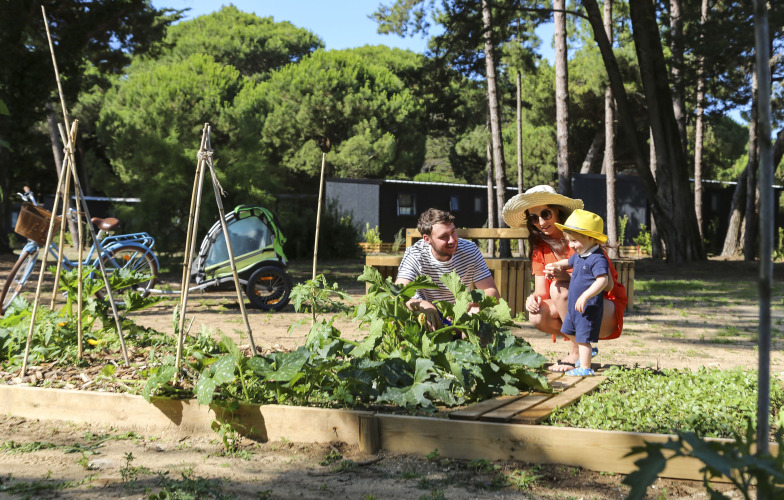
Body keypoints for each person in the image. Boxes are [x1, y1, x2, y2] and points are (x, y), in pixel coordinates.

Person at [501, 185, 627, 372]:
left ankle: (576, 353)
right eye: (534, 218)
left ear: (557, 211)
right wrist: (533, 298)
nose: (541, 222)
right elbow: (541, 291)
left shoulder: (582, 239)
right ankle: (584, 349)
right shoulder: (540, 248)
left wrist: (567, 278)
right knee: (537, 314)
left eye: (546, 214)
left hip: (601, 308)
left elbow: (607, 285)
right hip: (574, 310)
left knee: (558, 287)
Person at [395, 208, 500, 330]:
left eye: (453, 232)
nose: (452, 240)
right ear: (427, 239)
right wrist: (422, 305)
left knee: (479, 315)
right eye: (444, 236)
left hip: (460, 315)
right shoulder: (415, 254)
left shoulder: (470, 249)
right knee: (398, 318)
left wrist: (470, 301)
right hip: (427, 315)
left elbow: (492, 292)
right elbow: (396, 295)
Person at [548, 209, 611, 376]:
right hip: (574, 307)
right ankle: (588, 352)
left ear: (591, 238)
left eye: (574, 241)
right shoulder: (580, 254)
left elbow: (603, 280)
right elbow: (567, 262)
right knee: (568, 331)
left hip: (588, 307)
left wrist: (585, 296)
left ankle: (585, 367)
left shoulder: (597, 258)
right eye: (569, 241)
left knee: (583, 339)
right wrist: (556, 265)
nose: (571, 245)